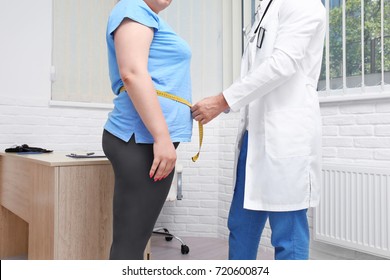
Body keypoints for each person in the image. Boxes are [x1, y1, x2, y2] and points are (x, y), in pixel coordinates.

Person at [192, 0, 326, 260]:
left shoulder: (304, 4)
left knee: (288, 236)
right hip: (253, 138)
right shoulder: (267, 8)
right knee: (240, 227)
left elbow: (282, 64)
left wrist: (222, 101)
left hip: (286, 139)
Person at [102, 0, 192, 260]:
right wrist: (162, 137)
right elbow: (132, 72)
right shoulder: (132, 8)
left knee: (134, 240)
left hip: (145, 139)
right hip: (140, 140)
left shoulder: (147, 16)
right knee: (130, 245)